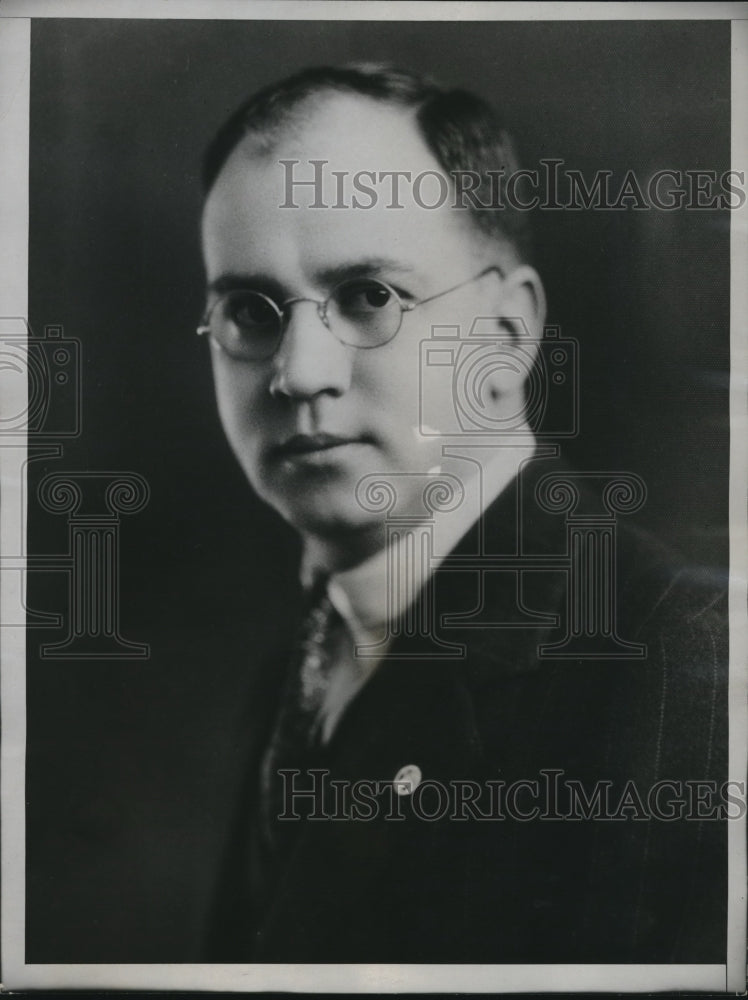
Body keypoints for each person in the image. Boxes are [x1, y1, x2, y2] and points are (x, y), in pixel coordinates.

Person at [197, 65, 727, 963]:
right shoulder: (302, 667)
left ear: (508, 333)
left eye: (371, 297)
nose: (300, 372)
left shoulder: (685, 664)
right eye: (249, 311)